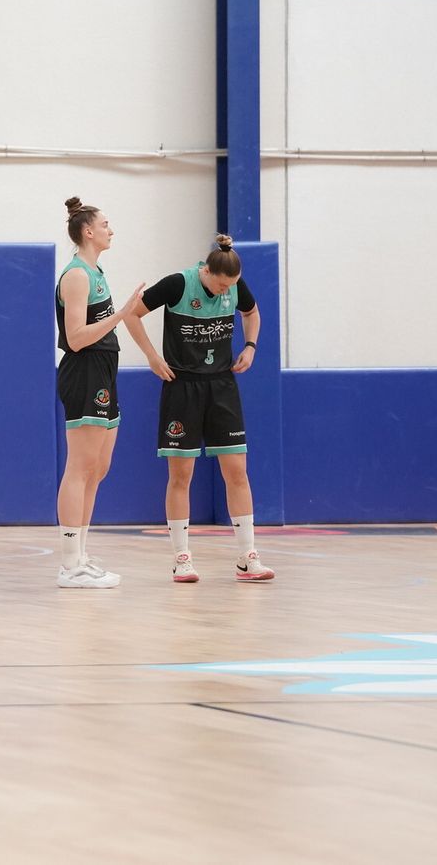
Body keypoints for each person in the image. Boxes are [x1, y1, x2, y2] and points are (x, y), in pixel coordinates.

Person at [123, 234, 274, 583]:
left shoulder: (235, 287)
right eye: (221, 285)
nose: (226, 293)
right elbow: (132, 315)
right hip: (183, 387)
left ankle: (247, 557)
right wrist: (151, 355)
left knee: (237, 471)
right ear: (206, 271)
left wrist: (250, 346)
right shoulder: (178, 284)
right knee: (181, 476)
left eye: (230, 287)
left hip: (222, 386)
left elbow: (251, 313)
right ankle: (181, 558)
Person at [54, 198, 143, 589]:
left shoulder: (96, 270)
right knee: (80, 466)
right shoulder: (76, 276)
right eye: (106, 224)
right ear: (88, 231)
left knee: (98, 468)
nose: (111, 229)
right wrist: (121, 314)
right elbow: (75, 339)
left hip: (105, 371)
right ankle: (70, 563)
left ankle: (82, 556)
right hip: (85, 371)